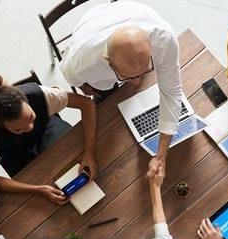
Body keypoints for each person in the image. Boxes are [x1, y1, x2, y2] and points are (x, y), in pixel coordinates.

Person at [59, 1, 183, 179]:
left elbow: (172, 93)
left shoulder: (164, 39)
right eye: (129, 77)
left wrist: (161, 155)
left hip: (130, 11)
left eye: (145, 70)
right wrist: (84, 86)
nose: (138, 82)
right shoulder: (80, 64)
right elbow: (74, 79)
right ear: (108, 61)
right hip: (92, 26)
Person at [0, 69, 97, 205]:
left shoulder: (41, 95)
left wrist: (89, 152)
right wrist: (39, 189)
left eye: (30, 117)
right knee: (36, 182)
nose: (29, 127)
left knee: (73, 156)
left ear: (26, 100)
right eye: (18, 129)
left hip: (46, 129)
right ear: (1, 125)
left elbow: (87, 104)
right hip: (13, 151)